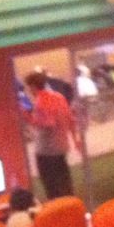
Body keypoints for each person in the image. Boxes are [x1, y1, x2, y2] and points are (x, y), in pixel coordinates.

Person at [23, 71, 80, 199]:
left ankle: (58, 207)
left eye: (28, 87)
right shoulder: (59, 97)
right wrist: (75, 139)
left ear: (33, 86)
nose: (28, 91)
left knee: (52, 186)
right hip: (61, 146)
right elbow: (70, 119)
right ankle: (71, 205)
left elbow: (48, 123)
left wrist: (28, 118)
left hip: (47, 150)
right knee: (65, 181)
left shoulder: (40, 102)